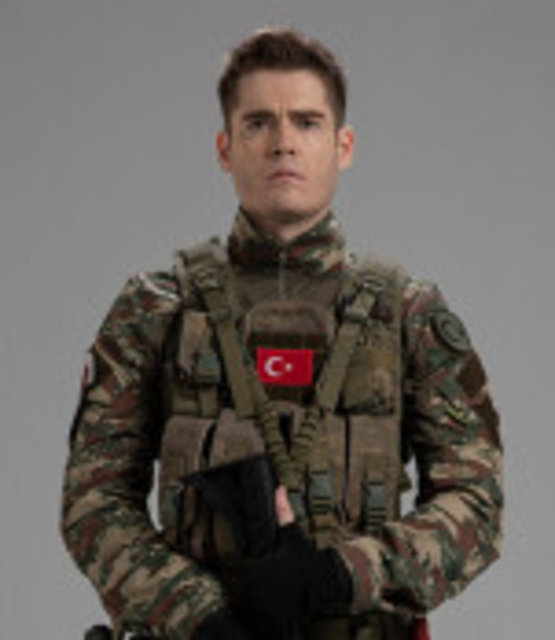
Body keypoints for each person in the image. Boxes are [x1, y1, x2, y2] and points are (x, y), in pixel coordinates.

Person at [61, 28, 503, 640]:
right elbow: (93, 500)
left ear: (344, 146)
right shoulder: (155, 309)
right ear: (225, 148)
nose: (283, 143)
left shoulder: (409, 314)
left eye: (307, 122)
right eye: (258, 123)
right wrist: (197, 614)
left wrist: (339, 576)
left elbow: (477, 502)